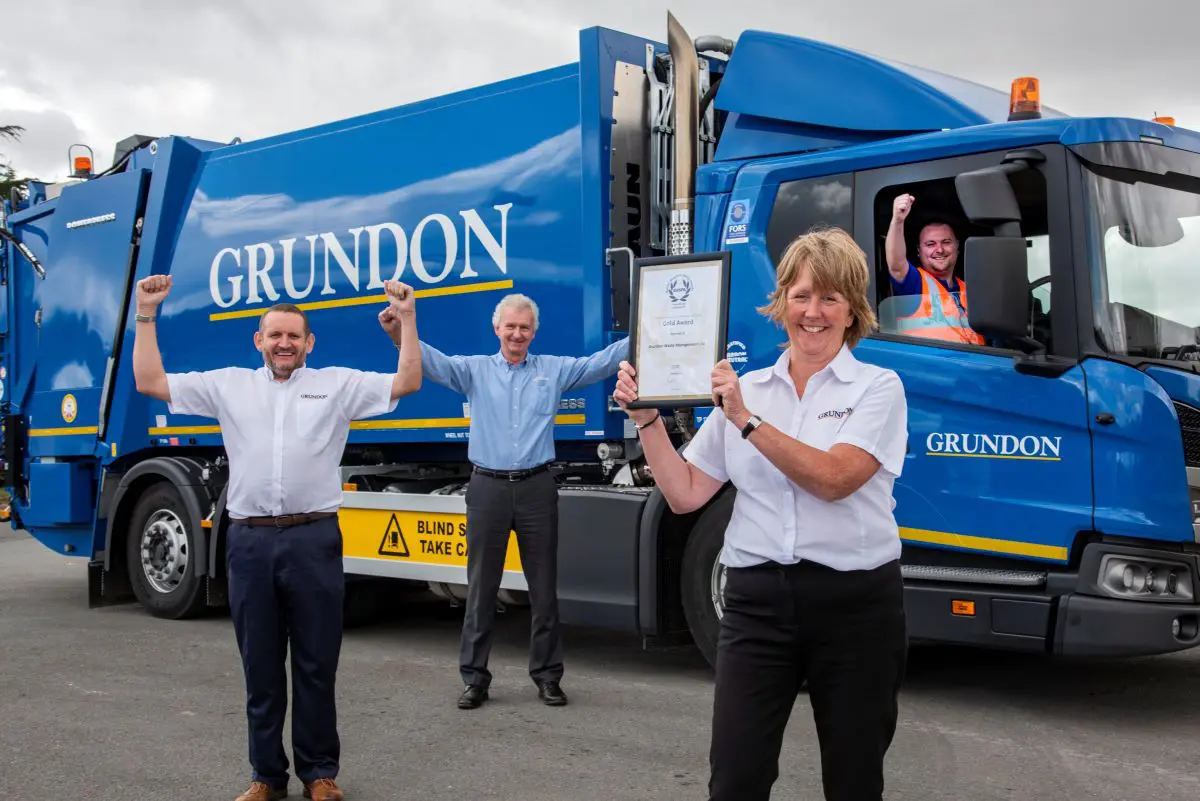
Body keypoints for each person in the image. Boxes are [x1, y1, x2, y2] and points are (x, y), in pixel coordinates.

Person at [614, 228, 909, 801]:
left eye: (830, 298)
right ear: (781, 304)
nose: (813, 312)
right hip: (756, 605)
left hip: (854, 608)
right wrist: (648, 420)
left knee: (853, 781)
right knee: (736, 779)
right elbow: (687, 493)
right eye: (800, 296)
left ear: (853, 311)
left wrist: (746, 420)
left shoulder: (879, 388)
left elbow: (833, 480)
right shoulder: (747, 389)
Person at [132, 274, 423, 801]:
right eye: (275, 335)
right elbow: (150, 381)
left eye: (294, 336)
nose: (284, 343)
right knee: (261, 667)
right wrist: (146, 314)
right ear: (258, 341)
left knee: (316, 663)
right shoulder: (228, 386)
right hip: (250, 542)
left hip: (314, 540)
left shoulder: (336, 384)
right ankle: (266, 777)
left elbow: (406, 383)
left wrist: (407, 319)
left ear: (309, 344)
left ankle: (319, 774)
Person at [409, 293, 627, 709]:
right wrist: (401, 326)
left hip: (535, 487)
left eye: (524, 327)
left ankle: (547, 677)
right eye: (510, 326)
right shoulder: (473, 371)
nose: (516, 333)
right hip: (487, 488)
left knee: (543, 590)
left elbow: (600, 362)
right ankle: (474, 679)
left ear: (534, 332)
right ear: (497, 329)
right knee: (481, 588)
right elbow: (432, 362)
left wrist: (648, 329)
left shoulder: (553, 370)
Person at [885, 193, 985, 345]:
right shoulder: (915, 283)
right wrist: (898, 221)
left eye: (946, 242)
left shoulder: (969, 290)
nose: (939, 249)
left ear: (957, 246)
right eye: (930, 244)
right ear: (919, 251)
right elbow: (896, 265)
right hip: (931, 367)